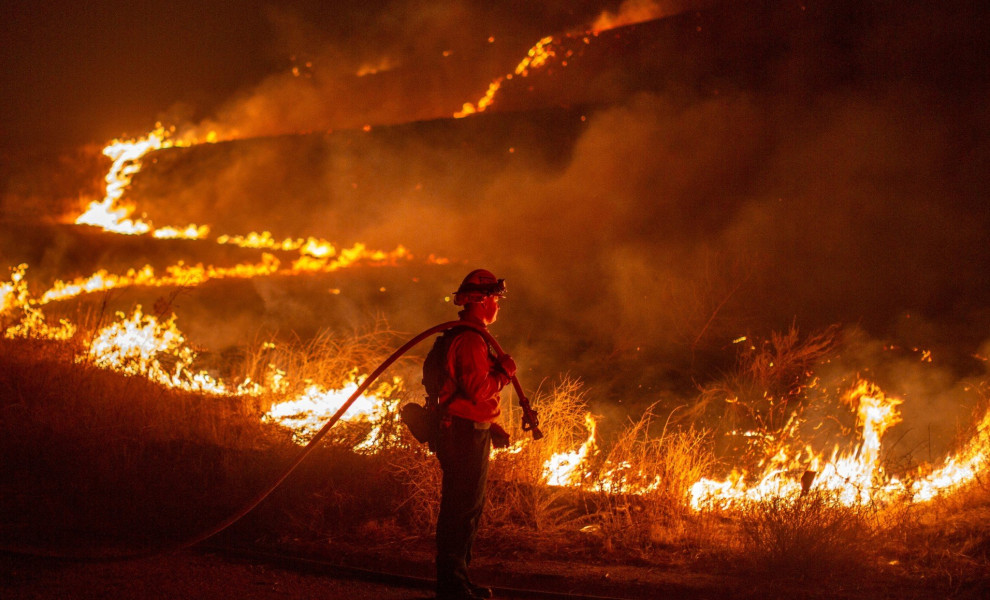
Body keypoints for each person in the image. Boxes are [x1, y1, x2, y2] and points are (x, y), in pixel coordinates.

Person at [431, 269, 516, 600]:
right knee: (461, 509)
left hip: (469, 431)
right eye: (495, 298)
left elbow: (466, 395)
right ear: (481, 301)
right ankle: (452, 586)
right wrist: (505, 374)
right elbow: (478, 390)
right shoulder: (469, 340)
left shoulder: (472, 336)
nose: (498, 304)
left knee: (467, 508)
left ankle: (459, 580)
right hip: (463, 435)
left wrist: (489, 425)